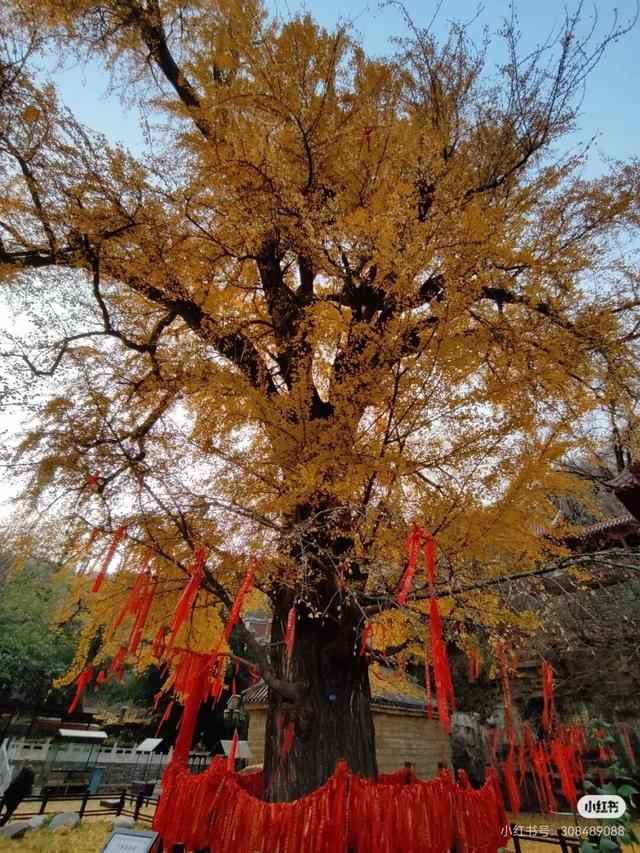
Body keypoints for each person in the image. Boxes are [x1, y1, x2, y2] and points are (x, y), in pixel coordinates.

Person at [0, 760, 34, 826]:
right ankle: (2, 822)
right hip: (16, 795)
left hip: (14, 794)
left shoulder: (26, 772)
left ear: (25, 763)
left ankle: (2, 823)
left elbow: (17, 782)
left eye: (23, 763)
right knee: (9, 809)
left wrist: (9, 789)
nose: (21, 764)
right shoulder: (28, 772)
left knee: (7, 807)